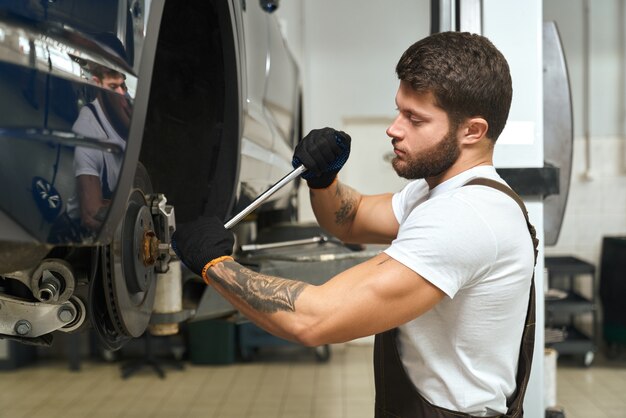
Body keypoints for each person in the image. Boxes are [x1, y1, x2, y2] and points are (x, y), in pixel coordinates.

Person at [172, 31, 538, 417]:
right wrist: (324, 180)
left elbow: (314, 319)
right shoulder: (438, 192)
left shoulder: (467, 216)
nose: (394, 128)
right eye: (399, 110)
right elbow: (353, 219)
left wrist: (216, 267)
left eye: (415, 119)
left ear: (472, 131)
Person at [66, 64, 131, 233]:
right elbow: (92, 214)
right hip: (74, 235)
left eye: (123, 85)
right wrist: (134, 210)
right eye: (113, 86)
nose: (123, 95)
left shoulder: (125, 111)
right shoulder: (87, 131)